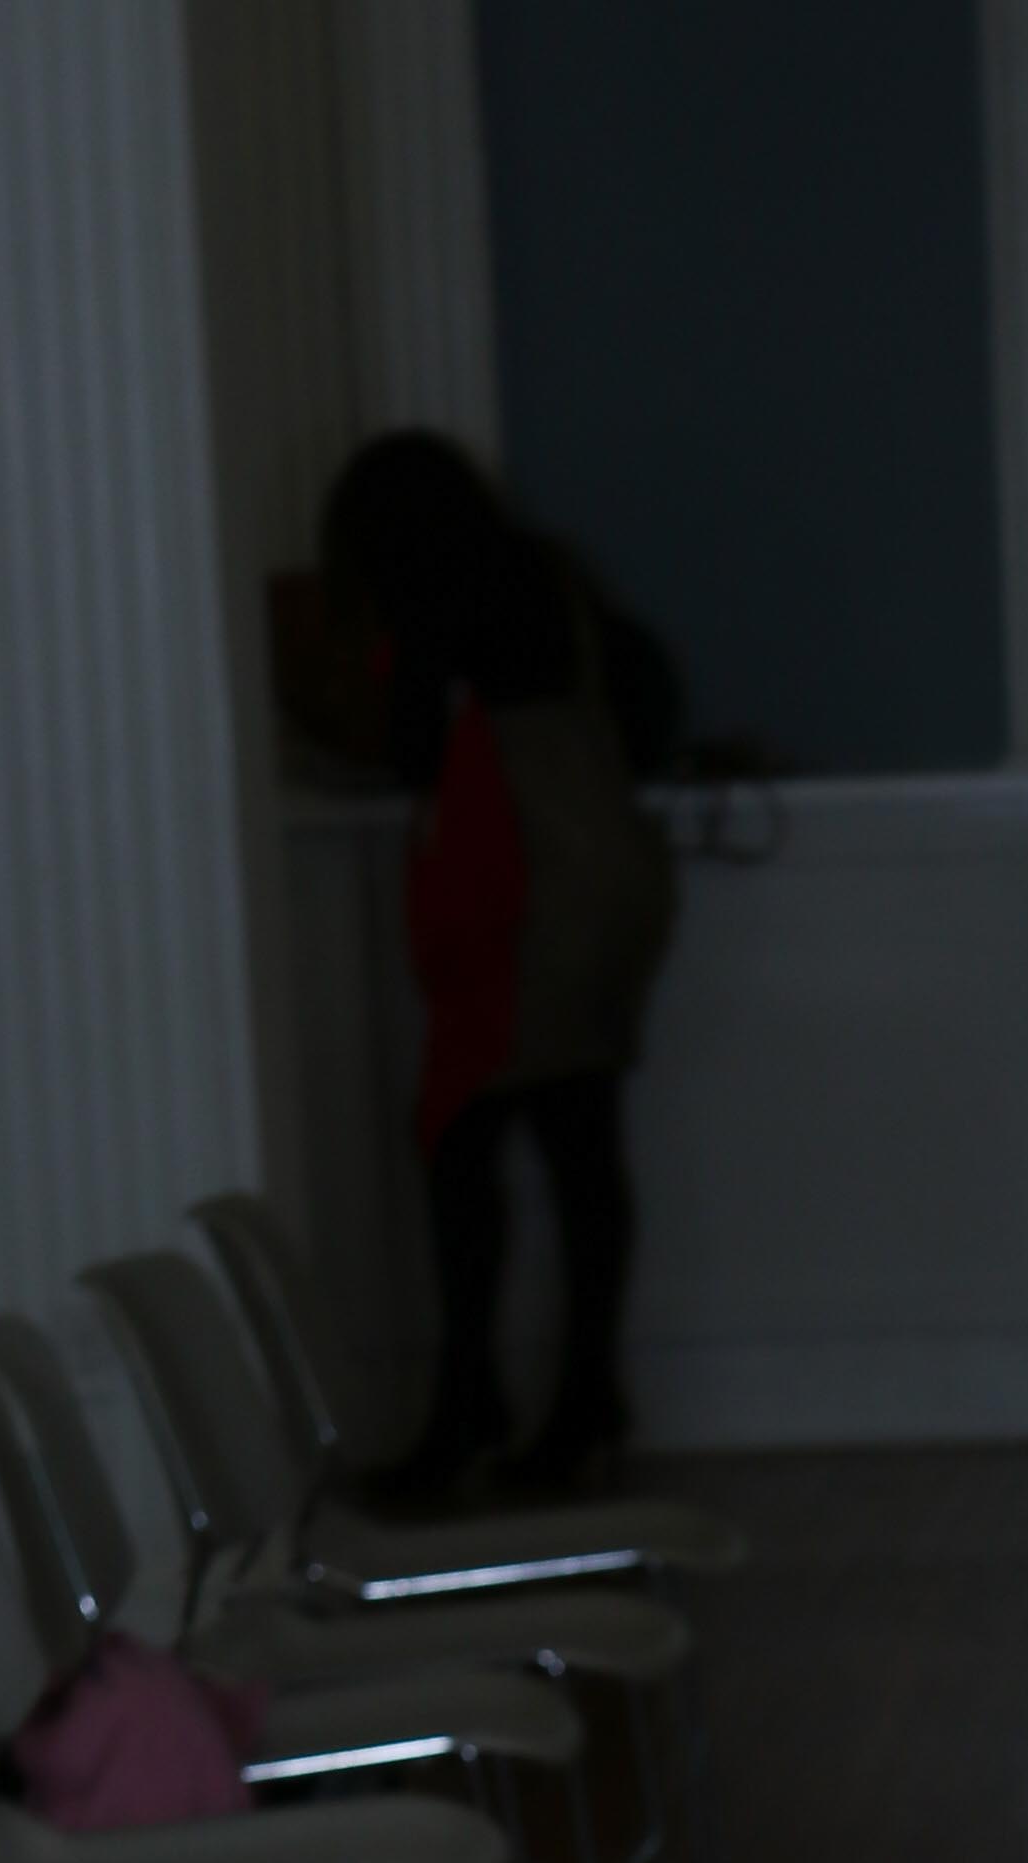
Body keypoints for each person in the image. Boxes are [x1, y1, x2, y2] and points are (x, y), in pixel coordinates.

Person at [315, 433, 680, 1502]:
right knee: (578, 1143)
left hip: (527, 899)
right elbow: (641, 706)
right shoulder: (549, 576)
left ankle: (479, 1407)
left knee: (462, 1138)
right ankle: (577, 1400)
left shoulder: (440, 597)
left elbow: (413, 750)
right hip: (605, 884)